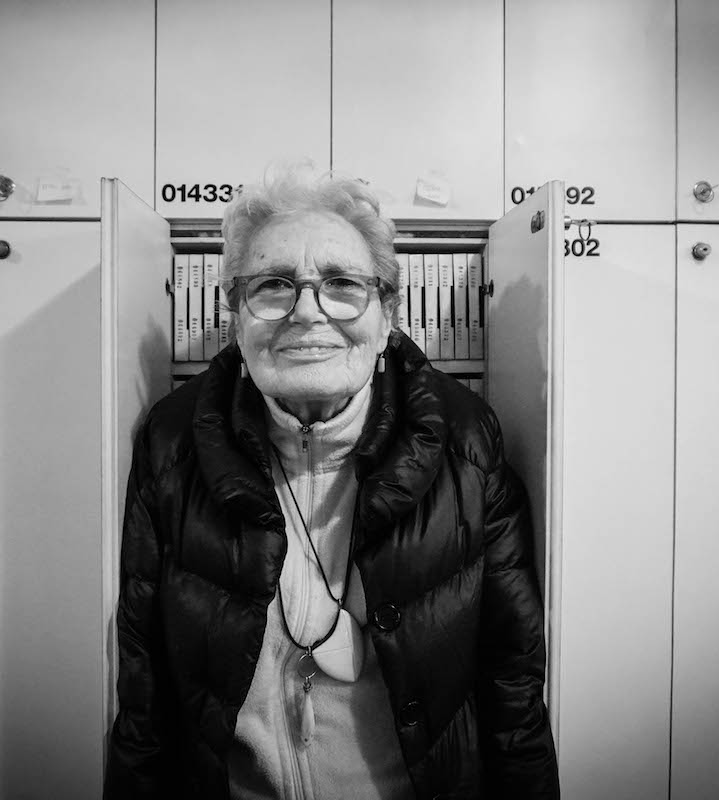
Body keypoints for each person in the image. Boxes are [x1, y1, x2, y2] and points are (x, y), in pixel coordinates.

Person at [104, 164, 559, 799]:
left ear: (386, 316)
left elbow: (513, 690)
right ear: (235, 316)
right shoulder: (171, 444)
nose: (307, 312)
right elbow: (143, 691)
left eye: (342, 284)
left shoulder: (468, 445)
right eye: (272, 285)